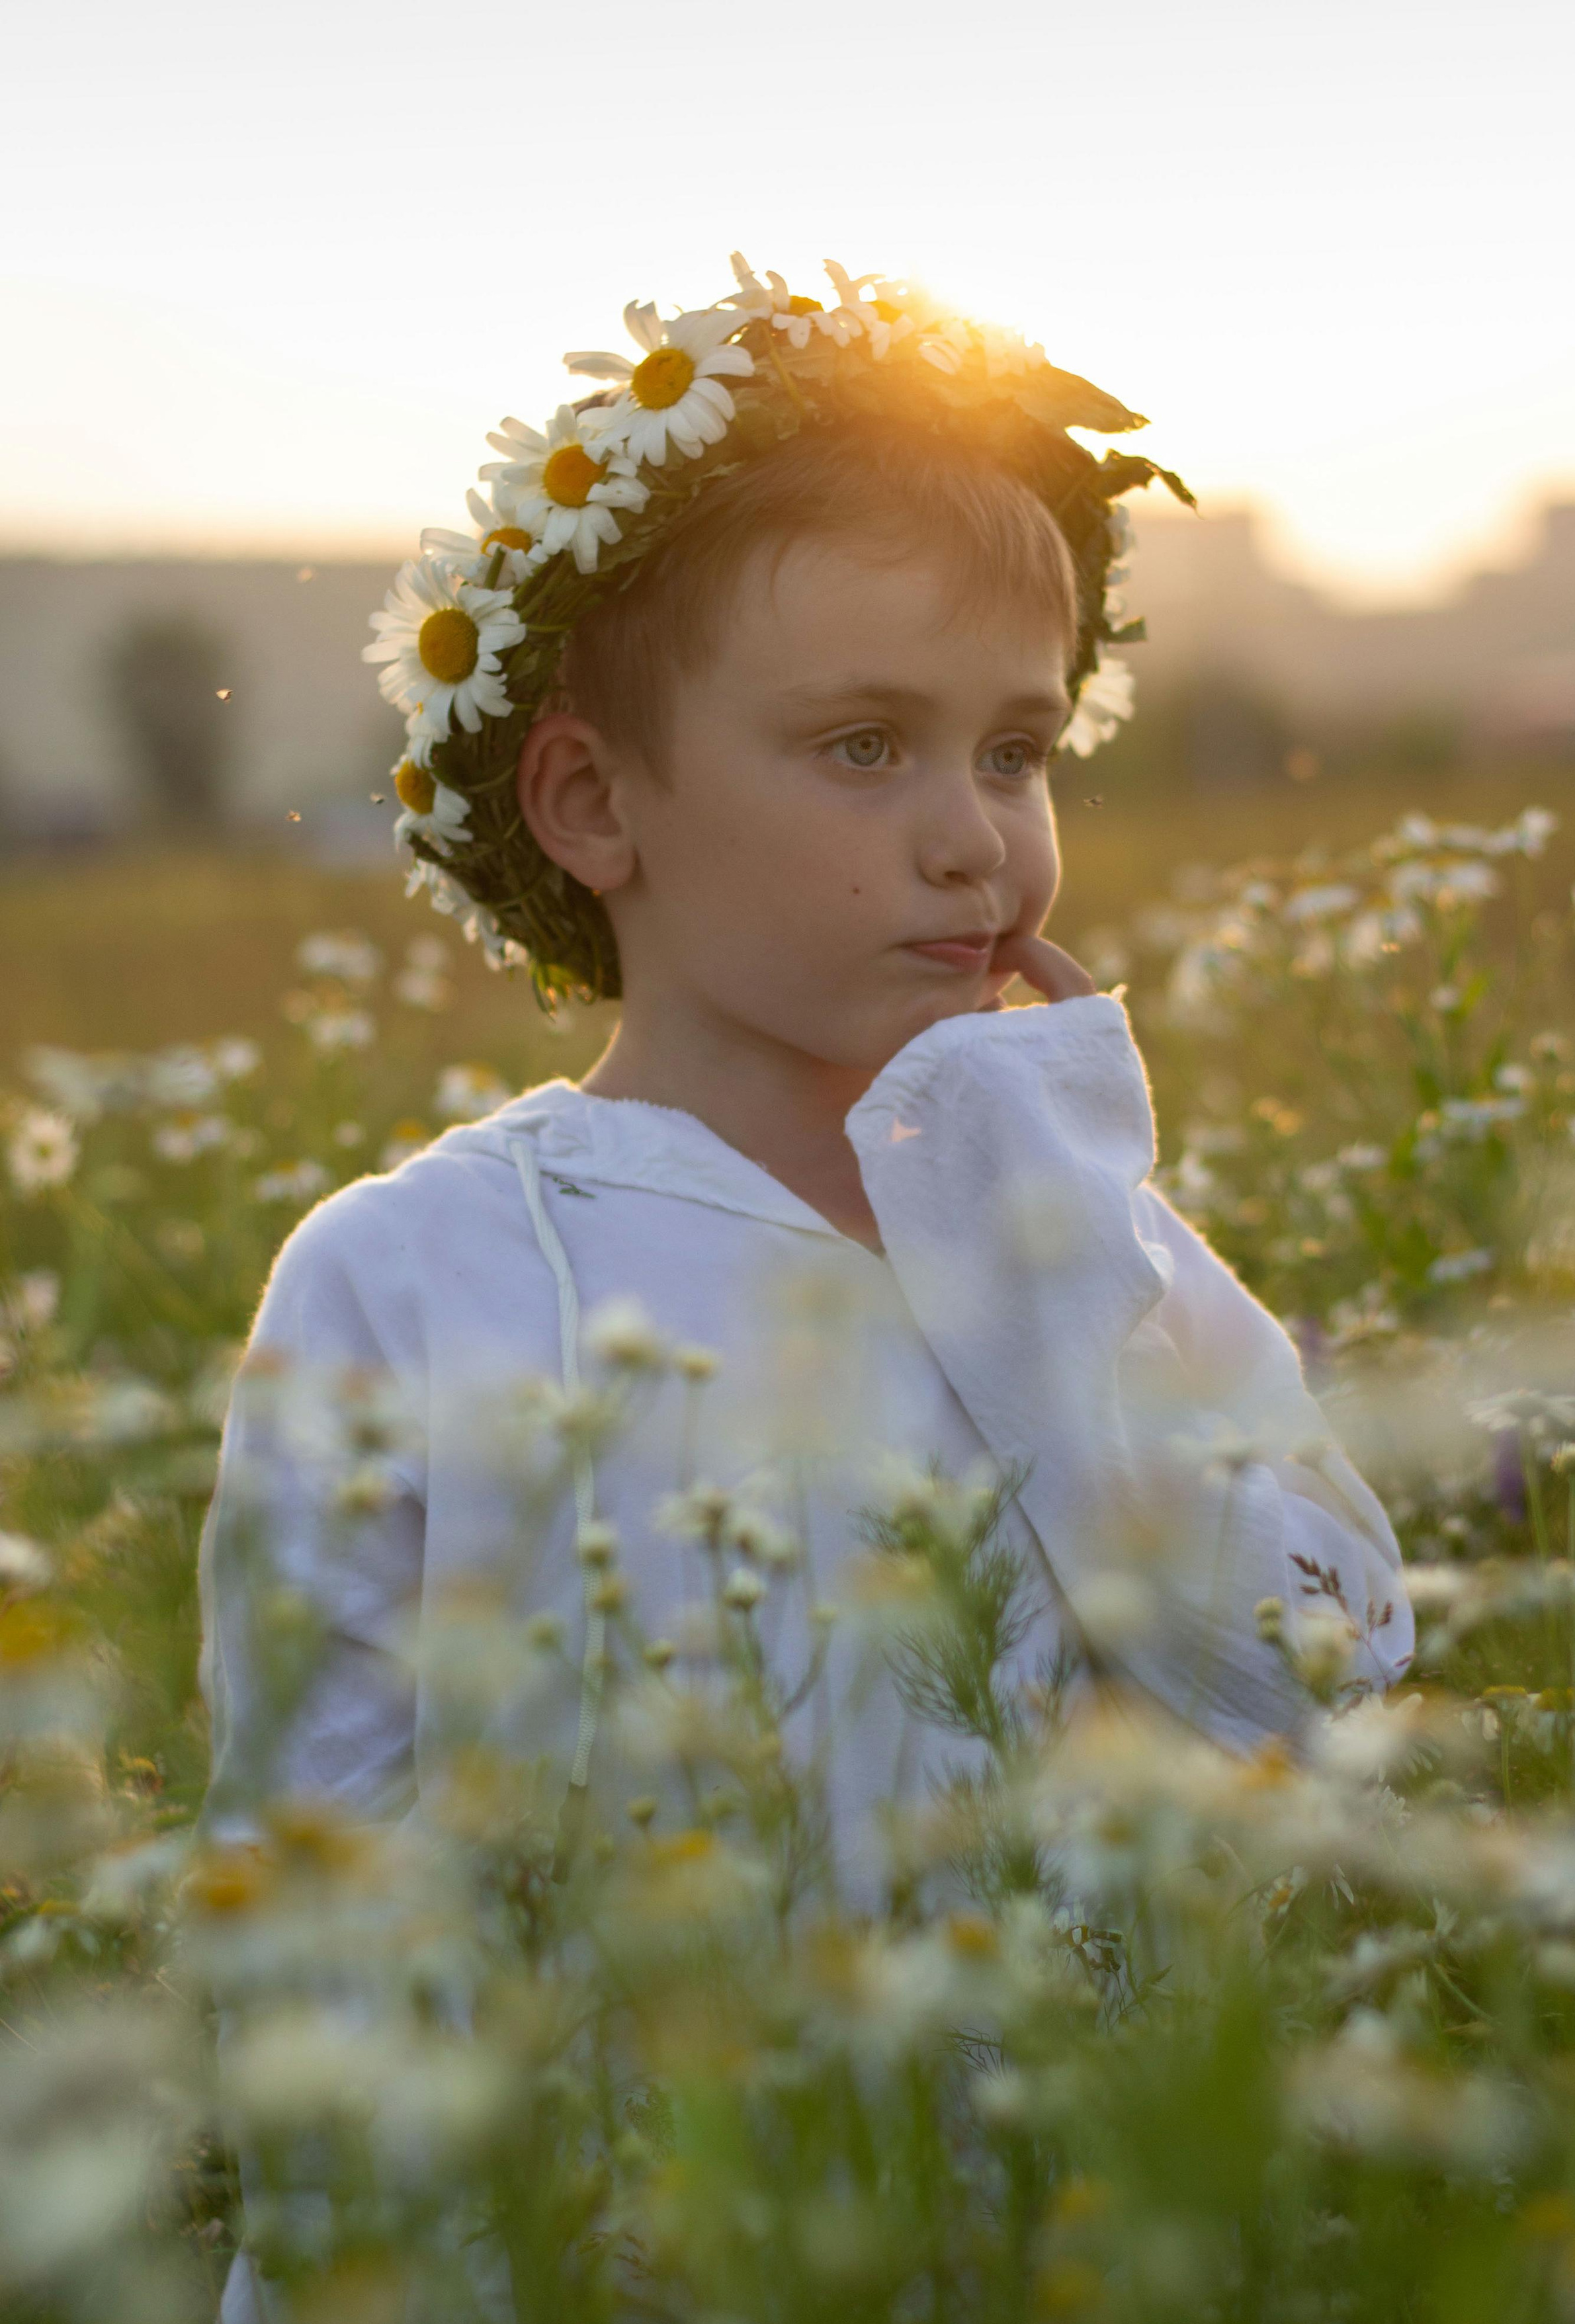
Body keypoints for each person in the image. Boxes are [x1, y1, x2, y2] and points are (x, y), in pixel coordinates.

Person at [199, 255, 1412, 1891]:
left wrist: (1043, 1237)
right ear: (593, 805)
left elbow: (1308, 1703)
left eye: (1014, 754)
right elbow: (305, 1887)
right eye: (861, 746)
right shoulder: (414, 1276)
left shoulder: (1085, 1244)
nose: (970, 837)